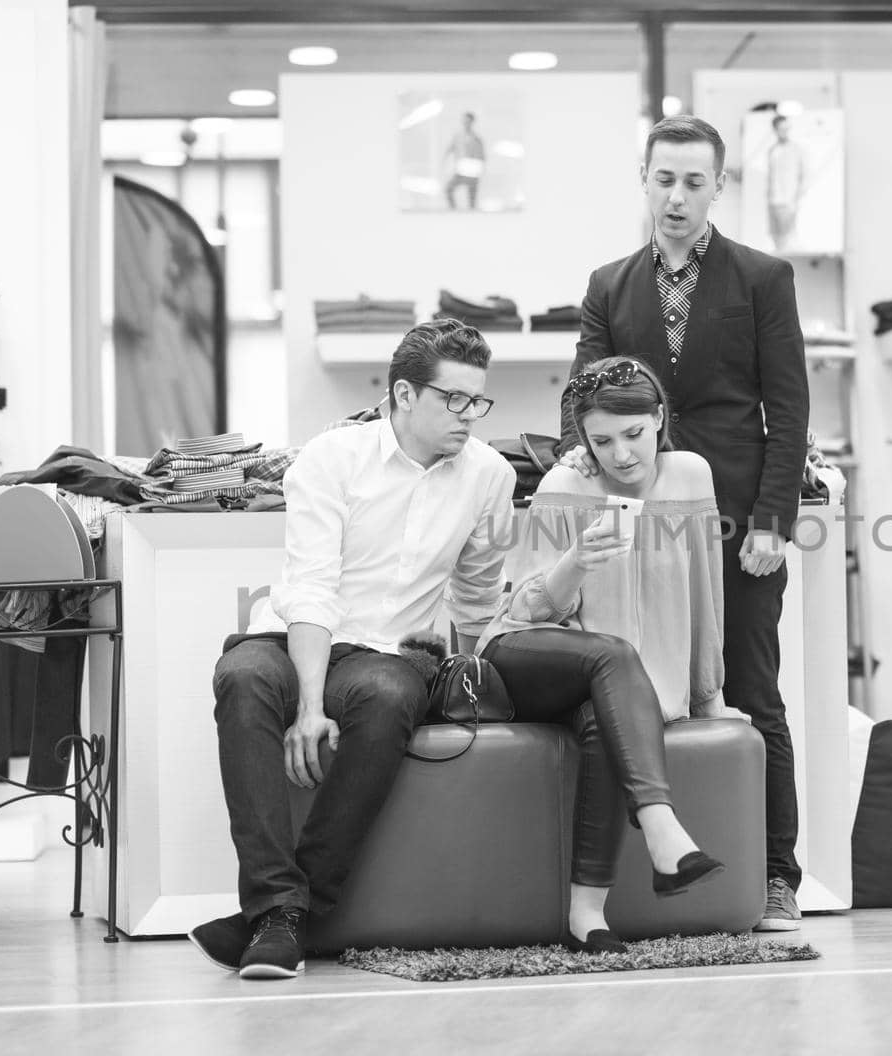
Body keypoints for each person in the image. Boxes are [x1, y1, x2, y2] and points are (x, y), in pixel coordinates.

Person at [188, 319, 514, 979]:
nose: (468, 416)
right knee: (243, 676)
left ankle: (282, 916)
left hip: (391, 656)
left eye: (477, 401)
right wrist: (309, 706)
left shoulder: (489, 475)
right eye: (452, 399)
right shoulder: (330, 459)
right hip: (297, 637)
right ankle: (282, 910)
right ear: (402, 394)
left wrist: (472, 671)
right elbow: (310, 587)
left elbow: (479, 591)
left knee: (390, 692)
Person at [558, 115, 810, 931]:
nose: (677, 196)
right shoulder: (608, 284)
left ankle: (776, 873)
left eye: (694, 182)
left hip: (737, 520)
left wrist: (773, 519)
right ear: (645, 178)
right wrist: (578, 490)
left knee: (752, 690)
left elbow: (789, 407)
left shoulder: (762, 278)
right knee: (644, 686)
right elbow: (581, 405)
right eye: (664, 179)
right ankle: (650, 870)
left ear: (717, 187)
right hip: (636, 524)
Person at [479, 355, 728, 953]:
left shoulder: (691, 476)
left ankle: (586, 914)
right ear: (584, 442)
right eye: (602, 441)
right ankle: (662, 829)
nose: (621, 455)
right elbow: (527, 610)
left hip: (618, 691)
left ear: (660, 419)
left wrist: (709, 694)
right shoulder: (564, 485)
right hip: (537, 660)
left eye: (634, 434)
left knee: (604, 718)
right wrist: (575, 564)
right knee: (613, 656)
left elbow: (706, 592)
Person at [766, 113, 805, 253]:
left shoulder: (795, 149)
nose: (785, 132)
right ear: (775, 130)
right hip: (773, 200)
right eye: (781, 129)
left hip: (788, 201)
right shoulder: (773, 150)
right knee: (776, 237)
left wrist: (795, 198)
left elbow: (802, 175)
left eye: (787, 128)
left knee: (787, 238)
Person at [444, 111, 485, 210]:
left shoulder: (477, 138)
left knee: (472, 199)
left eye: (468, 120)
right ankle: (454, 212)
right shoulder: (457, 136)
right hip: (461, 171)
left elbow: (482, 156)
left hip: (473, 172)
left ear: (472, 122)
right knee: (448, 189)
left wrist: (480, 168)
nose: (466, 122)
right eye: (464, 120)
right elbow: (450, 149)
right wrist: (445, 160)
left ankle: (471, 218)